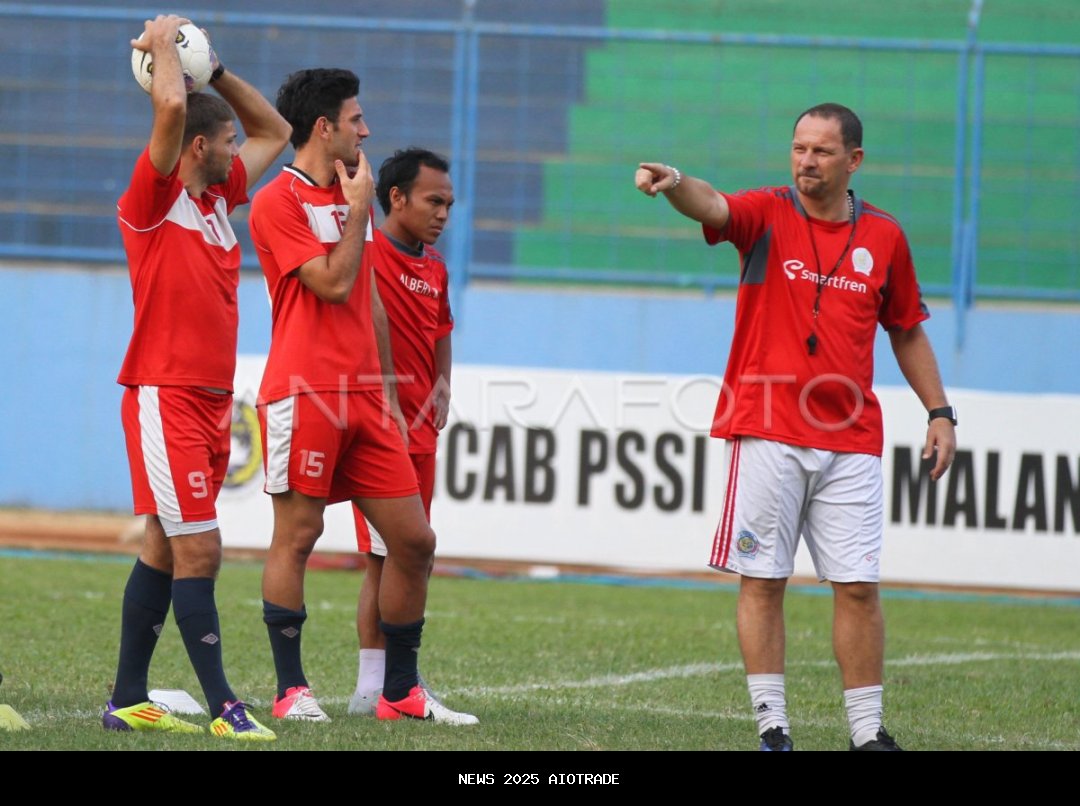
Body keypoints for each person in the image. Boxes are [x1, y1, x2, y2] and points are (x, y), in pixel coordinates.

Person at [635, 103, 957, 751]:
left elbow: (908, 330)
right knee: (764, 581)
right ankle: (773, 728)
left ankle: (867, 735)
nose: (806, 161)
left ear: (854, 161)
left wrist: (940, 411)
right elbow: (714, 207)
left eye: (821, 151)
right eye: (798, 148)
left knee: (860, 589)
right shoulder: (767, 212)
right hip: (766, 428)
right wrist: (674, 180)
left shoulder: (886, 237)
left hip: (852, 439)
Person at [107, 14, 290, 740]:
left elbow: (275, 129)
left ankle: (126, 697)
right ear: (199, 150)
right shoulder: (151, 203)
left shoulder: (218, 201)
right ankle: (225, 708)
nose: (239, 150)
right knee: (199, 549)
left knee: (163, 541)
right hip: (166, 394)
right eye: (227, 144)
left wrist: (213, 69)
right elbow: (174, 110)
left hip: (210, 401)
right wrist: (162, 49)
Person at [249, 69, 438, 723]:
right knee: (298, 537)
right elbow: (331, 283)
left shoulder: (345, 191)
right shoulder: (279, 200)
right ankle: (292, 691)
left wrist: (386, 388)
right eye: (356, 119)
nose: (367, 129)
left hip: (366, 399)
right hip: (307, 393)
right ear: (324, 127)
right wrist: (359, 210)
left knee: (413, 541)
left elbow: (370, 303)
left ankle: (400, 692)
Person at [345, 148, 477, 725]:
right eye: (433, 200)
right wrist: (388, 401)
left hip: (423, 428)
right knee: (389, 557)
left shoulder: (436, 266)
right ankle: (376, 686)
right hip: (380, 427)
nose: (444, 212)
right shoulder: (366, 251)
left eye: (449, 203)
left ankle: (385, 688)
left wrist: (444, 385)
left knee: (401, 556)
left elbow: (442, 328)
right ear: (395, 197)